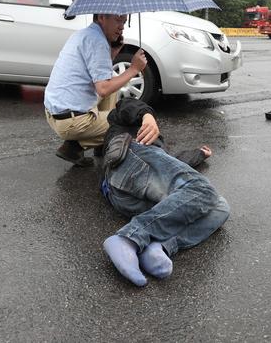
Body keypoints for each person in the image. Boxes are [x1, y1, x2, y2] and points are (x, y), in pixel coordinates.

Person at [99, 98, 230, 286]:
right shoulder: (126, 125)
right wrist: (147, 116)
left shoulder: (157, 155)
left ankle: (158, 246)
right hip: (128, 156)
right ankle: (129, 238)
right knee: (202, 189)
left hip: (125, 196)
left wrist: (198, 154)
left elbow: (169, 165)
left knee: (220, 207)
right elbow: (125, 103)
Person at [44, 14, 158, 167]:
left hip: (55, 113)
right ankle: (74, 147)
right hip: (71, 121)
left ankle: (101, 143)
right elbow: (103, 89)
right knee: (128, 125)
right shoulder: (98, 41)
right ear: (102, 17)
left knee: (111, 82)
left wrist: (113, 52)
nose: (122, 26)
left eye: (124, 22)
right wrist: (134, 69)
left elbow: (99, 73)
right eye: (118, 20)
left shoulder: (83, 34)